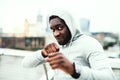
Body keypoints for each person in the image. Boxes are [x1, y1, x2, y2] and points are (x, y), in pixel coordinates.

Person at [22, 10, 116, 80]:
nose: (56, 34)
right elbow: (25, 64)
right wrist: (43, 53)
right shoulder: (56, 47)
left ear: (70, 25)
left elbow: (109, 77)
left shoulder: (89, 43)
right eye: (53, 29)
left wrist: (74, 70)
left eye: (59, 27)